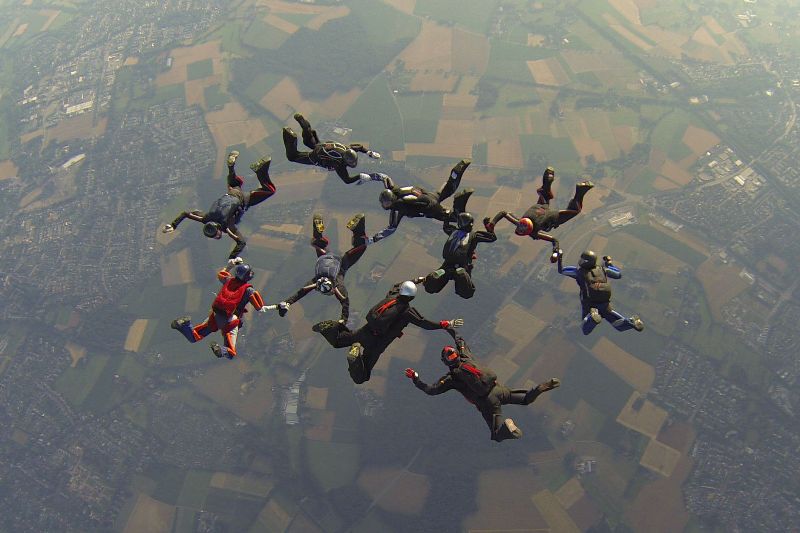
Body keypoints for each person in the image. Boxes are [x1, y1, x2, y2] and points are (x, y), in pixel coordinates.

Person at [405, 335, 560, 442]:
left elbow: (431, 390)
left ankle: (507, 429)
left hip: (487, 402)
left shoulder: (451, 378)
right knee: (525, 399)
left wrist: (415, 379)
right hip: (498, 390)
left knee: (496, 435)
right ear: (457, 354)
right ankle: (539, 388)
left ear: (445, 362)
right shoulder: (466, 356)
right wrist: (449, 328)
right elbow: (460, 341)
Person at [312, 280, 463, 384]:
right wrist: (445, 324)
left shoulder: (392, 296)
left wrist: (417, 280)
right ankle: (355, 357)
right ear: (412, 297)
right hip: (377, 343)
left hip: (365, 331)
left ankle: (329, 327)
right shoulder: (407, 312)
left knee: (339, 341)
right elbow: (425, 323)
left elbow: (396, 285)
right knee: (362, 377)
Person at [162, 151, 275, 260]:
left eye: (216, 235)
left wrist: (232, 258)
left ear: (218, 230)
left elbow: (241, 242)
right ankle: (230, 167)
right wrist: (173, 225)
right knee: (235, 183)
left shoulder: (228, 227)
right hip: (231, 192)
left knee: (270, 190)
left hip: (243, 199)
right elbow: (186, 214)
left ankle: (260, 170)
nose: (217, 237)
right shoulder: (205, 218)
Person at [272, 212, 372, 323]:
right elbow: (300, 293)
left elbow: (345, 302)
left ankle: (358, 226)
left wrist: (343, 320)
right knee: (318, 242)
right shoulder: (316, 281)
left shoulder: (338, 285)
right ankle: (318, 233)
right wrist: (287, 302)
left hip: (342, 263)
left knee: (362, 245)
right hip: (326, 257)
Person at [484, 167, 593, 262]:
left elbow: (554, 240)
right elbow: (504, 213)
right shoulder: (520, 222)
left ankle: (580, 190)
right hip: (540, 207)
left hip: (552, 217)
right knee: (544, 193)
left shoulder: (533, 231)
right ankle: (548, 178)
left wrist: (555, 254)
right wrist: (492, 224)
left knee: (575, 211)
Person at [170, 260, 272, 359]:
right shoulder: (249, 290)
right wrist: (275, 306)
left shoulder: (229, 280)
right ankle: (220, 351)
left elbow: (221, 274)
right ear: (246, 276)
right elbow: (260, 307)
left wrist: (230, 266)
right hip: (231, 320)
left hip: (216, 314)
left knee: (194, 337)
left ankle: (185, 324)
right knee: (231, 353)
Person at [359, 159, 473, 242]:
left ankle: (459, 201)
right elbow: (384, 177)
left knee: (453, 218)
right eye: (383, 202)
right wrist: (369, 177)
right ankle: (455, 174)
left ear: (391, 201)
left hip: (430, 208)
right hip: (429, 195)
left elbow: (390, 229)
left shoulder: (397, 209)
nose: (383, 205)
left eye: (385, 203)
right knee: (448, 189)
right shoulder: (393, 189)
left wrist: (373, 239)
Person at [556, 249, 644, 335]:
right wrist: (609, 263)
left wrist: (559, 257)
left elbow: (562, 270)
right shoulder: (603, 270)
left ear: (586, 262)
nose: (580, 261)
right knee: (617, 324)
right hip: (604, 304)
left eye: (582, 260)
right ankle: (631, 322)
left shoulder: (579, 273)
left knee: (585, 329)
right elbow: (618, 274)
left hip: (589, 304)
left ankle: (592, 318)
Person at [282, 113, 381, 184]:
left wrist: (369, 152)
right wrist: (360, 176)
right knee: (292, 157)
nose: (354, 163)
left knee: (308, 142)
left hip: (322, 146)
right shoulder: (339, 164)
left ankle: (305, 126)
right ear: (346, 161)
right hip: (316, 157)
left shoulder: (347, 149)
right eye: (352, 162)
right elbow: (347, 180)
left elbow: (359, 147)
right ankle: (290, 138)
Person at [422, 212, 496, 299]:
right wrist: (487, 225)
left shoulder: (452, 231)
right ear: (470, 224)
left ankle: (434, 276)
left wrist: (447, 217)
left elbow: (445, 227)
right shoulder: (474, 235)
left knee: (430, 288)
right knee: (467, 293)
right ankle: (461, 274)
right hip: (462, 265)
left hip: (447, 265)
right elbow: (492, 238)